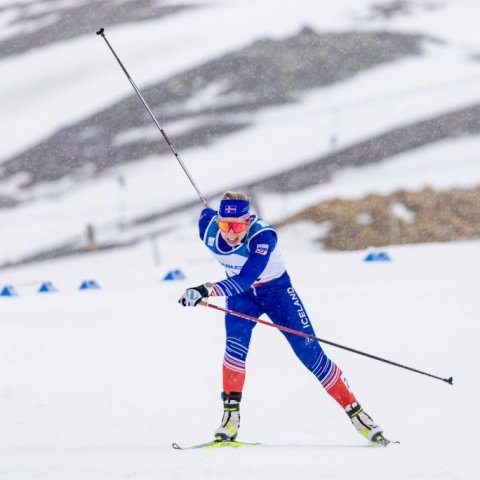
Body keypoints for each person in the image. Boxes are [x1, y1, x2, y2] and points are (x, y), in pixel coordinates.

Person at [179, 191, 387, 445]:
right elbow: (206, 214)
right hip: (242, 297)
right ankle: (230, 419)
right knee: (234, 349)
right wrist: (211, 216)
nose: (230, 233)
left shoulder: (263, 236)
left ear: (249, 221)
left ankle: (356, 413)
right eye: (225, 224)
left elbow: (245, 278)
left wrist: (205, 290)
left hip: (276, 292)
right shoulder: (208, 228)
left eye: (237, 226)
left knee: (309, 353)